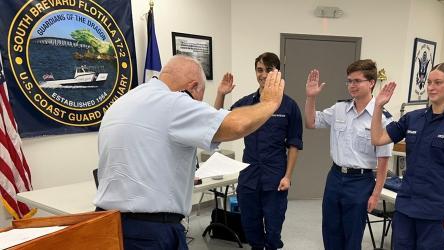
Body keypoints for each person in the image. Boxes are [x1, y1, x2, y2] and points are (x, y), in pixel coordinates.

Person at [94, 55, 285, 250]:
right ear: (192, 87)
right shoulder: (174, 102)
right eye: (199, 98)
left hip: (106, 225)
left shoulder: (122, 102)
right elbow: (237, 124)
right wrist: (269, 102)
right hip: (149, 232)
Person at [371, 62, 444, 249]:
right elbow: (378, 138)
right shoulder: (413, 118)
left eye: (437, 82)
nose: (430, 87)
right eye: (429, 82)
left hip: (436, 211)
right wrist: (378, 106)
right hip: (406, 207)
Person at [214, 52, 303, 250]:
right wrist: (221, 94)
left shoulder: (289, 106)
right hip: (249, 177)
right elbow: (218, 123)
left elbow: (294, 145)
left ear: (277, 72)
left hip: (275, 178)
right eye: (259, 70)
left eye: (269, 70)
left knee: (273, 229)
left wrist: (288, 176)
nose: (263, 74)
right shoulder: (246, 103)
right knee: (251, 227)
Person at [305, 59, 392, 250]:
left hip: (360, 182)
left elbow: (383, 161)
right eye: (349, 81)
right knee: (330, 230)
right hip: (335, 177)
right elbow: (311, 122)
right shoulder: (339, 109)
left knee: (352, 235)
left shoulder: (383, 119)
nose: (352, 85)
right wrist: (311, 97)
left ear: (371, 82)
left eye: (357, 81)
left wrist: (376, 194)